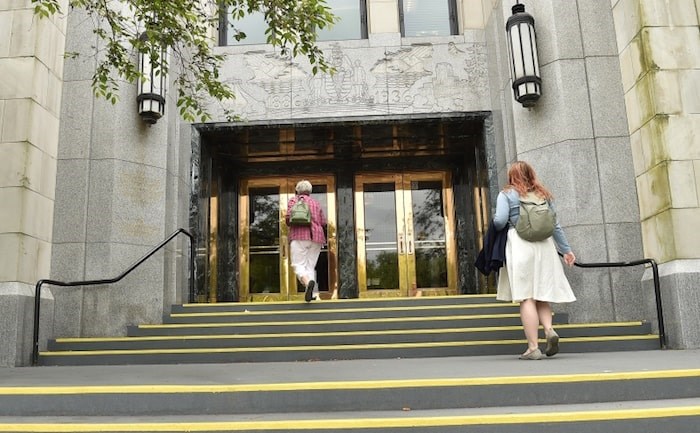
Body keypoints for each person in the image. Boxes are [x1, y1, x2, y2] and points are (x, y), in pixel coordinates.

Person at [493, 161, 576, 360]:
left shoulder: (507, 194)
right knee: (542, 294)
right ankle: (549, 330)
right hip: (545, 247)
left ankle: (533, 348)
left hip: (520, 245)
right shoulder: (543, 195)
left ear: (511, 176)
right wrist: (566, 251)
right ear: (531, 175)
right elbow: (555, 225)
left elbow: (500, 221)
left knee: (526, 296)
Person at [286, 180, 326, 302]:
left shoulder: (294, 201)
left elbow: (288, 218)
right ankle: (315, 295)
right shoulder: (316, 203)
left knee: (298, 265)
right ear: (310, 191)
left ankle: (308, 283)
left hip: (299, 236)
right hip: (317, 238)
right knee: (310, 267)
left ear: (297, 190)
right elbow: (323, 222)